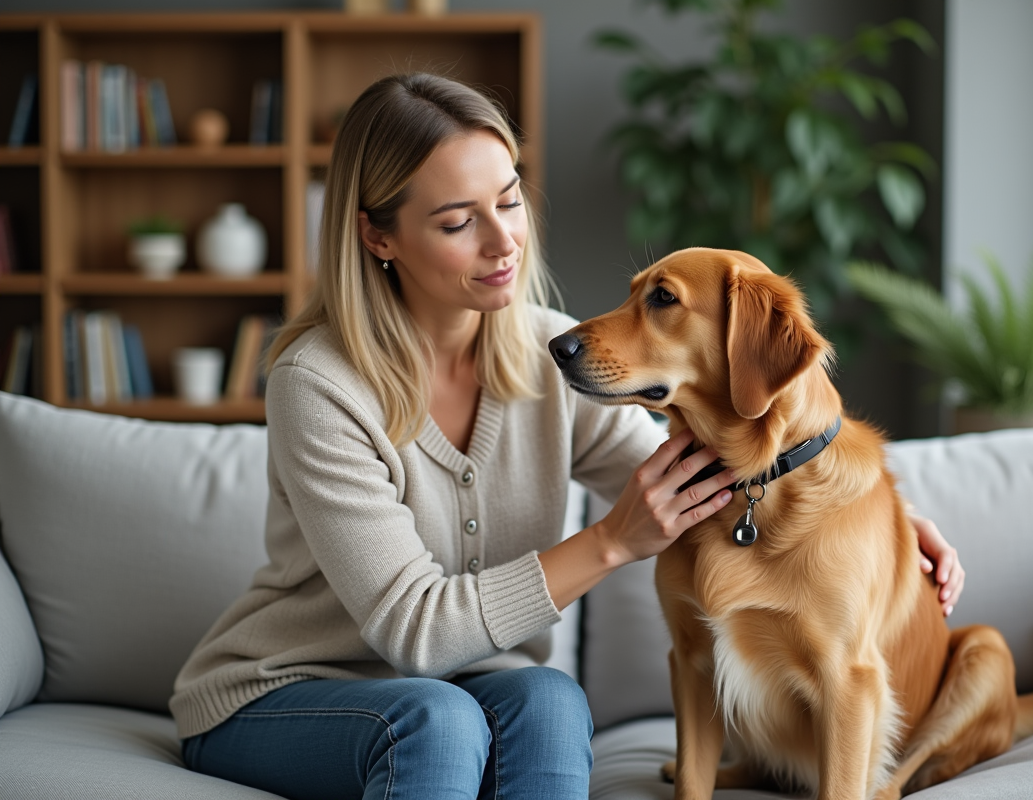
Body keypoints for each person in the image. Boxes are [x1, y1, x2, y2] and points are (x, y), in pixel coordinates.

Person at [170, 73, 964, 800]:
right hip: (281, 692)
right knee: (433, 721)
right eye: (457, 221)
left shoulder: (549, 354)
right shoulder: (318, 384)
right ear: (379, 237)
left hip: (463, 684)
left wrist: (876, 529)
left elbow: (698, 480)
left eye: (509, 200)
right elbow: (413, 632)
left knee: (550, 698)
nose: (504, 241)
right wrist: (613, 542)